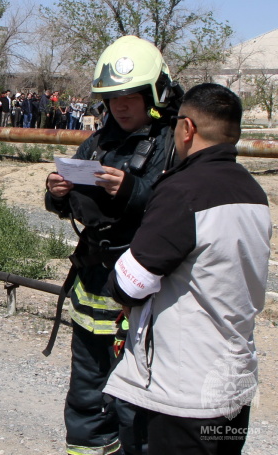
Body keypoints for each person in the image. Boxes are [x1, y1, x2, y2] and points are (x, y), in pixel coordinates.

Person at [103, 83, 270, 455]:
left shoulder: (184, 190)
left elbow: (130, 283)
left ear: (188, 128)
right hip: (233, 387)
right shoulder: (254, 193)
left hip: (183, 393)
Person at [44, 35, 181, 455]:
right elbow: (66, 206)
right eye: (112, 97)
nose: (120, 106)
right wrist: (56, 193)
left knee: (134, 394)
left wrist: (131, 191)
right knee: (86, 386)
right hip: (92, 283)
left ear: (153, 94)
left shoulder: (172, 144)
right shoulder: (100, 139)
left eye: (130, 96)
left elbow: (174, 212)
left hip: (138, 296)